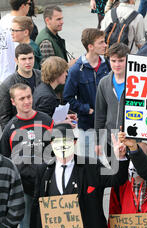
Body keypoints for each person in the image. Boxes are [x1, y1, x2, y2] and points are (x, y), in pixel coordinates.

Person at [0, 83, 54, 228]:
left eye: (29, 96)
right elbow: (5, 161)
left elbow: (57, 149)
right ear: (13, 102)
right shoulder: (10, 129)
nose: (27, 101)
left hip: (48, 185)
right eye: (21, 98)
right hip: (24, 188)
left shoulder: (46, 121)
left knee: (51, 223)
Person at [63, 28, 110, 158]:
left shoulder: (107, 65)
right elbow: (67, 98)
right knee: (88, 166)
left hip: (107, 126)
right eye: (101, 42)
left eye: (104, 41)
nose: (105, 45)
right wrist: (86, 109)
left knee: (107, 167)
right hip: (87, 126)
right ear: (90, 47)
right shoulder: (76, 70)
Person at [94, 43, 129, 160]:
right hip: (109, 140)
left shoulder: (136, 83)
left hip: (131, 141)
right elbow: (100, 114)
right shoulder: (104, 83)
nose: (117, 64)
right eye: (113, 61)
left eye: (121, 61)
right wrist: (98, 141)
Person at [0, 43, 42, 131]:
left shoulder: (42, 77)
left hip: (40, 127)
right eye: (23, 59)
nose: (28, 62)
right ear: (16, 60)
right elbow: (4, 117)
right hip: (19, 130)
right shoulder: (7, 85)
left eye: (30, 58)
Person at [0, 0, 32, 83]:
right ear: (23, 6)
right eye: (29, 4)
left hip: (3, 72)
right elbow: (21, 51)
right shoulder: (18, 25)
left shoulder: (3, 20)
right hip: (15, 76)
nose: (30, 7)